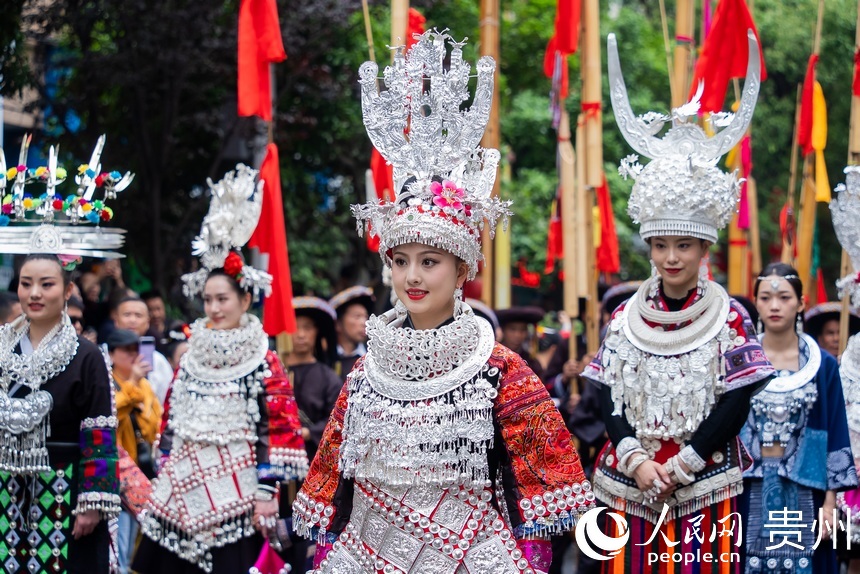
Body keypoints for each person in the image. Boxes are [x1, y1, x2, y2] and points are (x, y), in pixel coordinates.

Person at [293, 31, 592, 574]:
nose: (412, 276)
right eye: (400, 260)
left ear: (462, 270)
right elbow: (329, 493)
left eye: (429, 261)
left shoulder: (500, 370)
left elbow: (552, 490)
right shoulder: (366, 374)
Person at [581, 32, 775, 572]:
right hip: (632, 480)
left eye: (682, 246)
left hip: (705, 483)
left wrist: (685, 462)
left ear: (702, 247)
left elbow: (736, 401)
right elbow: (607, 397)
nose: (671, 257)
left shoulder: (729, 316)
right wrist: (638, 460)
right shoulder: (625, 316)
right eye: (661, 245)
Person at [133, 164, 308, 574]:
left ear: (245, 300)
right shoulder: (192, 354)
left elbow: (278, 428)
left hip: (240, 490)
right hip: (184, 484)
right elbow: (173, 417)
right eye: (208, 300)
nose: (213, 308)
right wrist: (167, 467)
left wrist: (268, 491)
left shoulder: (263, 357)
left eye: (223, 300)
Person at [740, 263, 857, 573]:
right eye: (765, 298)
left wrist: (830, 503)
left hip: (808, 489)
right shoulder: (739, 361)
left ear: (801, 303)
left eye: (784, 297)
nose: (774, 306)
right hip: (748, 487)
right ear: (757, 303)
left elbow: (833, 432)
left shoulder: (823, 366)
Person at [107, 328, 163, 574]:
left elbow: (156, 426)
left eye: (135, 350)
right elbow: (109, 415)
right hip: (115, 474)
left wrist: (137, 388)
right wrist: (130, 386)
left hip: (141, 471)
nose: (133, 356)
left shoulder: (145, 386)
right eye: (126, 351)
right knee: (121, 547)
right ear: (111, 354)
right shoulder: (106, 382)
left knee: (141, 546)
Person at [289, 296, 343, 463]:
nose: (301, 335)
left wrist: (308, 432)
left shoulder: (328, 377)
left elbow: (337, 420)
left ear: (317, 332)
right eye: (294, 327)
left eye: (307, 328)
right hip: (279, 458)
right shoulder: (274, 372)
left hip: (314, 461)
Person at [113, 296, 174, 404]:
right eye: (127, 315)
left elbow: (167, 400)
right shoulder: (102, 356)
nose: (132, 320)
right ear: (116, 321)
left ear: (147, 323)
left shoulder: (159, 361)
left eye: (138, 315)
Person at [328, 286, 374, 380]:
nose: (364, 323)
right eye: (357, 317)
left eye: (365, 317)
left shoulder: (372, 360)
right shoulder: (326, 358)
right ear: (338, 324)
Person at [496, 305, 547, 382]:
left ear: (527, 333)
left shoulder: (532, 363)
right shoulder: (493, 360)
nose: (518, 335)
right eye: (512, 329)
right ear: (503, 330)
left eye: (522, 330)